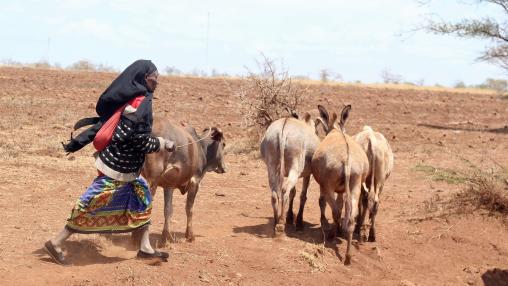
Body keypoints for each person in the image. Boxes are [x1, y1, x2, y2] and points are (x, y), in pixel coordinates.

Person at [44, 59, 174, 265]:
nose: (157, 82)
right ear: (143, 78)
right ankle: (56, 242)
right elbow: (134, 138)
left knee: (143, 198)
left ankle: (145, 247)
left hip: (126, 168)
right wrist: (161, 143)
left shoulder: (136, 99)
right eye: (154, 78)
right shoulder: (140, 103)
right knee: (91, 202)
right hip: (117, 168)